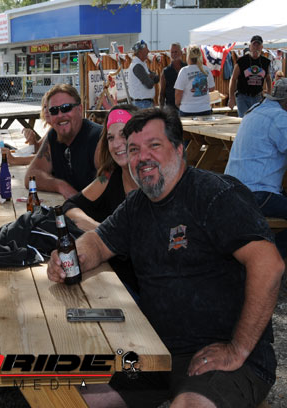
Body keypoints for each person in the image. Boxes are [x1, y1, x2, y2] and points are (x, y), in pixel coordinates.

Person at [47, 107, 284, 408]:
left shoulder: (214, 195)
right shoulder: (137, 205)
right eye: (134, 149)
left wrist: (238, 348)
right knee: (74, 397)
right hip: (155, 355)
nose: (142, 157)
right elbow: (98, 242)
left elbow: (269, 265)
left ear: (179, 149)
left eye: (154, 145)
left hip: (222, 357)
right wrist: (71, 257)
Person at [61, 104, 140, 293]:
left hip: (144, 290)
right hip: (117, 281)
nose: (116, 144)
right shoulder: (109, 175)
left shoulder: (154, 181)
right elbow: (70, 205)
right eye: (111, 138)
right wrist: (100, 229)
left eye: (124, 134)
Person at [225, 78, 287, 258]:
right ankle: (264, 259)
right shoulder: (280, 117)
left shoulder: (254, 110)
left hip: (232, 191)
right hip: (258, 193)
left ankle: (259, 255)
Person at [25, 83, 101, 198]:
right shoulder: (54, 136)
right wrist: (60, 186)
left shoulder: (98, 137)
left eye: (66, 108)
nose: (60, 115)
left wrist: (78, 201)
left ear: (80, 109)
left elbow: (108, 180)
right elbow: (31, 176)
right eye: (54, 110)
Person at [228, 35, 271, 117]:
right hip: (243, 96)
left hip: (257, 96)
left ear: (262, 47)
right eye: (254, 45)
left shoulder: (266, 62)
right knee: (244, 119)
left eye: (258, 45)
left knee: (256, 119)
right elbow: (233, 79)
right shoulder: (241, 61)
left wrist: (269, 95)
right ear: (250, 47)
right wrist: (231, 98)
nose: (256, 48)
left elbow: (268, 79)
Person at [174, 45, 216, 117]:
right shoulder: (206, 70)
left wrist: (178, 104)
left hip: (187, 110)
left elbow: (178, 92)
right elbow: (212, 88)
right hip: (204, 109)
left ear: (188, 57)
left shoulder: (184, 71)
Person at [128, 40, 160, 109]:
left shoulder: (142, 64)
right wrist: (151, 76)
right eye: (146, 50)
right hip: (142, 104)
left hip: (143, 103)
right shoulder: (137, 66)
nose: (148, 51)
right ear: (140, 52)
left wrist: (150, 76)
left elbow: (157, 78)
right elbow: (149, 84)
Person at [159, 42, 186, 110]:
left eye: (176, 52)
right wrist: (161, 111)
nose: (174, 54)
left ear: (181, 52)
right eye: (172, 52)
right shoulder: (165, 71)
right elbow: (162, 93)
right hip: (171, 109)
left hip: (186, 107)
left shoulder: (187, 69)